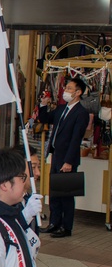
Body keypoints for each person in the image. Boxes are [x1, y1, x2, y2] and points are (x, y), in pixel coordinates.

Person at [37, 76, 90, 238]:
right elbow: (46, 118)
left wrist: (68, 161)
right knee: (55, 192)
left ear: (78, 92)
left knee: (66, 193)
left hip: (68, 158)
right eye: (65, 88)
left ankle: (66, 227)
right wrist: (43, 106)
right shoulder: (61, 109)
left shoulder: (81, 113)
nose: (66, 91)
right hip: (56, 155)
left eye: (69, 89)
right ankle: (54, 223)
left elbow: (75, 139)